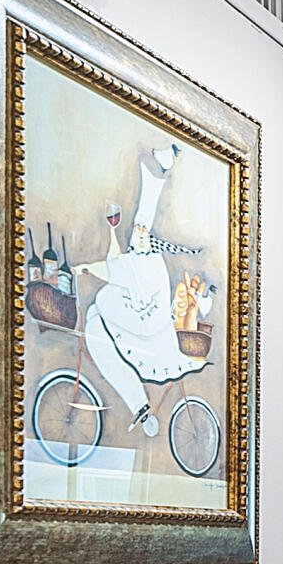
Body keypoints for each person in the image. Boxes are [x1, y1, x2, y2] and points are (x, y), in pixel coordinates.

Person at [82, 145, 205, 439]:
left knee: (101, 308)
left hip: (148, 331)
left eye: (140, 233)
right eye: (135, 232)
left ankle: (139, 405)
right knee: (94, 318)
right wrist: (113, 232)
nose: (136, 236)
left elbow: (112, 270)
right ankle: (138, 405)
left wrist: (85, 267)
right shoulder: (140, 259)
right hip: (144, 322)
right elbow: (117, 263)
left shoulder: (148, 262)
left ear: (147, 241)